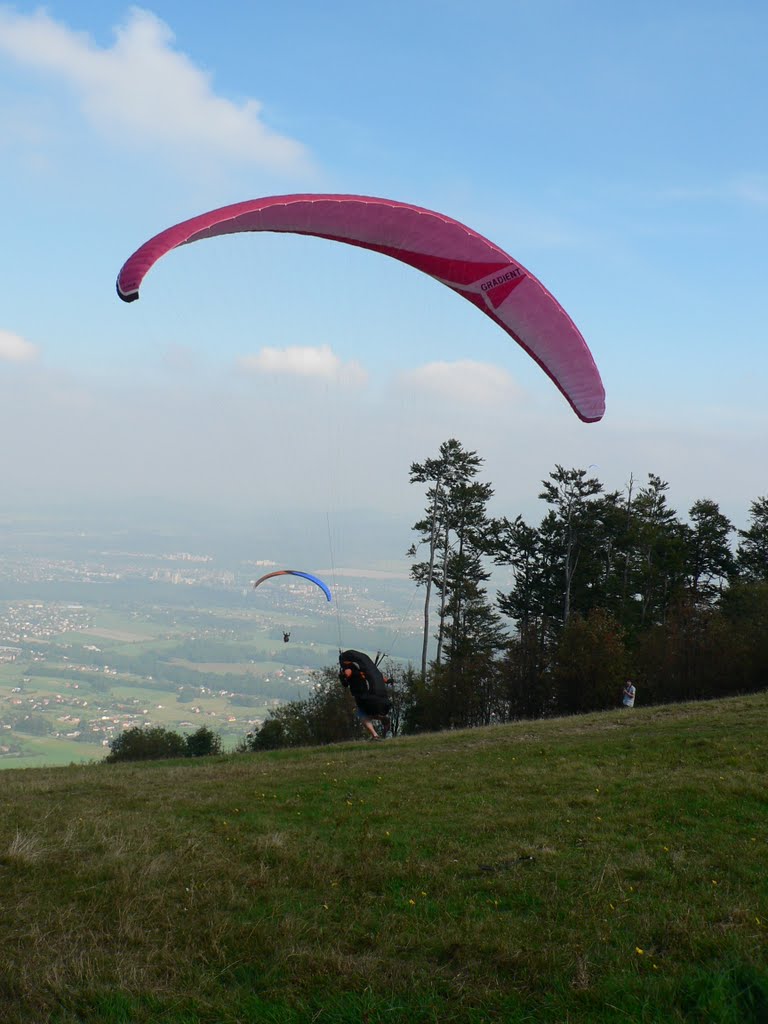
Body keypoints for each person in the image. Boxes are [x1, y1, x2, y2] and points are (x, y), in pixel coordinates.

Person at [339, 649, 393, 740]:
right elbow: (381, 678)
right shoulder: (367, 668)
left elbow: (348, 673)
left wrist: (343, 676)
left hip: (367, 697)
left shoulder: (350, 667)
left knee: (362, 714)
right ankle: (382, 718)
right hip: (382, 698)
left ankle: (375, 735)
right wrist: (388, 681)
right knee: (370, 712)